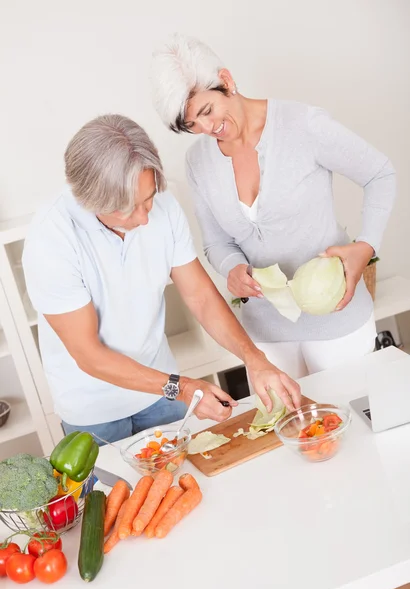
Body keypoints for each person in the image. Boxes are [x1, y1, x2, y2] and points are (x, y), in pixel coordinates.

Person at [22, 114, 301, 445]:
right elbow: (89, 355)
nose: (143, 218)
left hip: (162, 392)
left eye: (148, 198)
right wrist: (182, 387)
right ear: (89, 200)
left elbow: (199, 296)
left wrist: (254, 359)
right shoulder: (51, 240)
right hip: (94, 410)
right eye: (127, 209)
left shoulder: (164, 209)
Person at [150, 34, 397, 379]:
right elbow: (217, 242)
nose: (206, 128)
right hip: (264, 335)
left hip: (338, 320)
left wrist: (366, 246)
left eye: (207, 110)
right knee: (285, 430)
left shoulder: (302, 125)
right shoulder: (199, 162)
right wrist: (233, 268)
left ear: (226, 81)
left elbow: (380, 174)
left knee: (354, 422)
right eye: (192, 124)